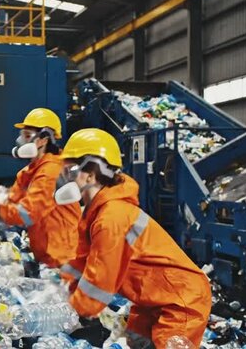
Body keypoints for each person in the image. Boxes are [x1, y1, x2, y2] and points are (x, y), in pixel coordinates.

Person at [54, 128, 211, 348]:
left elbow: (99, 282)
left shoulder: (112, 217)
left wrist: (69, 312)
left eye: (68, 172)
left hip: (180, 301)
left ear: (90, 174)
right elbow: (81, 261)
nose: (64, 179)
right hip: (153, 299)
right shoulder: (96, 214)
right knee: (136, 342)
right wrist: (60, 291)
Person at [0, 108, 81, 267]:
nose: (20, 141)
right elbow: (13, 198)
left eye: (27, 136)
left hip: (61, 258)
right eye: (22, 135)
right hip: (47, 252)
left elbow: (27, 214)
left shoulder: (51, 172)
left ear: (43, 140)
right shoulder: (31, 170)